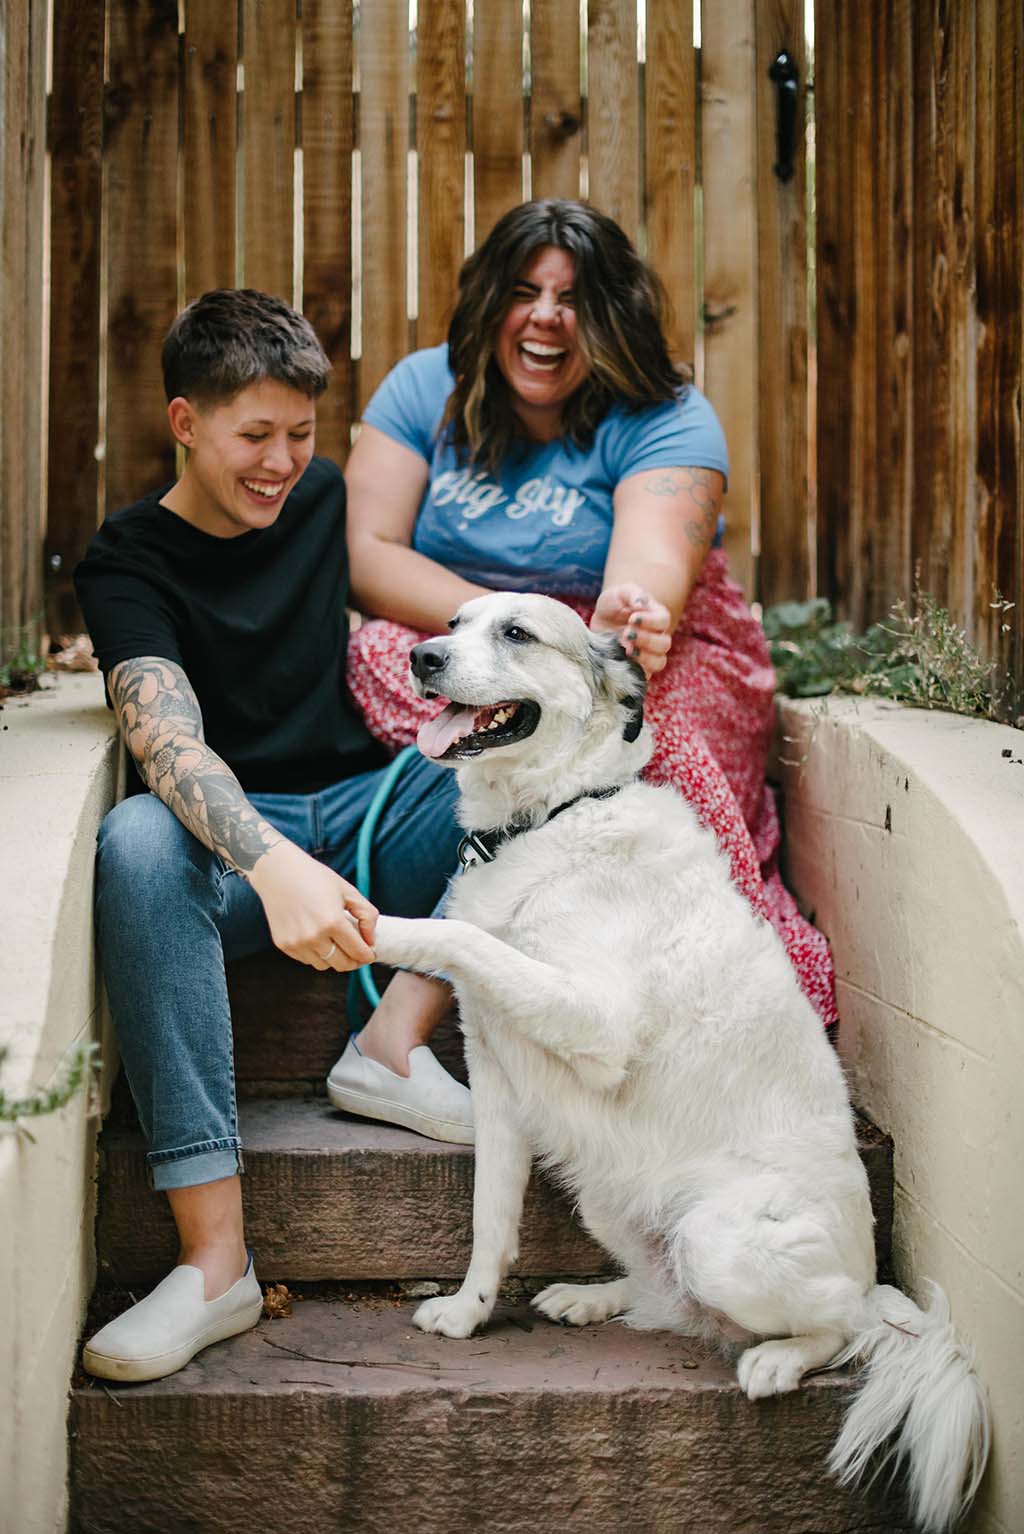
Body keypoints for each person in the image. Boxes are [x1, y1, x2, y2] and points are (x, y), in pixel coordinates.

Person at [74, 289, 473, 1384]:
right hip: (238, 857)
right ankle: (215, 1262)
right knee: (139, 844)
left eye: (300, 435)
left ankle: (392, 1045)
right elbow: (167, 744)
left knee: (508, 778)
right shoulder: (125, 564)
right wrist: (271, 861)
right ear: (185, 422)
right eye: (255, 435)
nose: (281, 463)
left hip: (365, 814)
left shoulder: (322, 497)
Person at [343, 200, 838, 1029]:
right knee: (385, 654)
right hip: (483, 632)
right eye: (525, 291)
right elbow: (367, 553)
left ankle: (727, 988)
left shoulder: (665, 414)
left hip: (636, 649)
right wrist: (496, 629)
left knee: (640, 737)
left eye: (573, 298)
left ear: (611, 318)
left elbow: (644, 590)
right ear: (490, 302)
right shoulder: (426, 387)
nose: (545, 317)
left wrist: (624, 612)